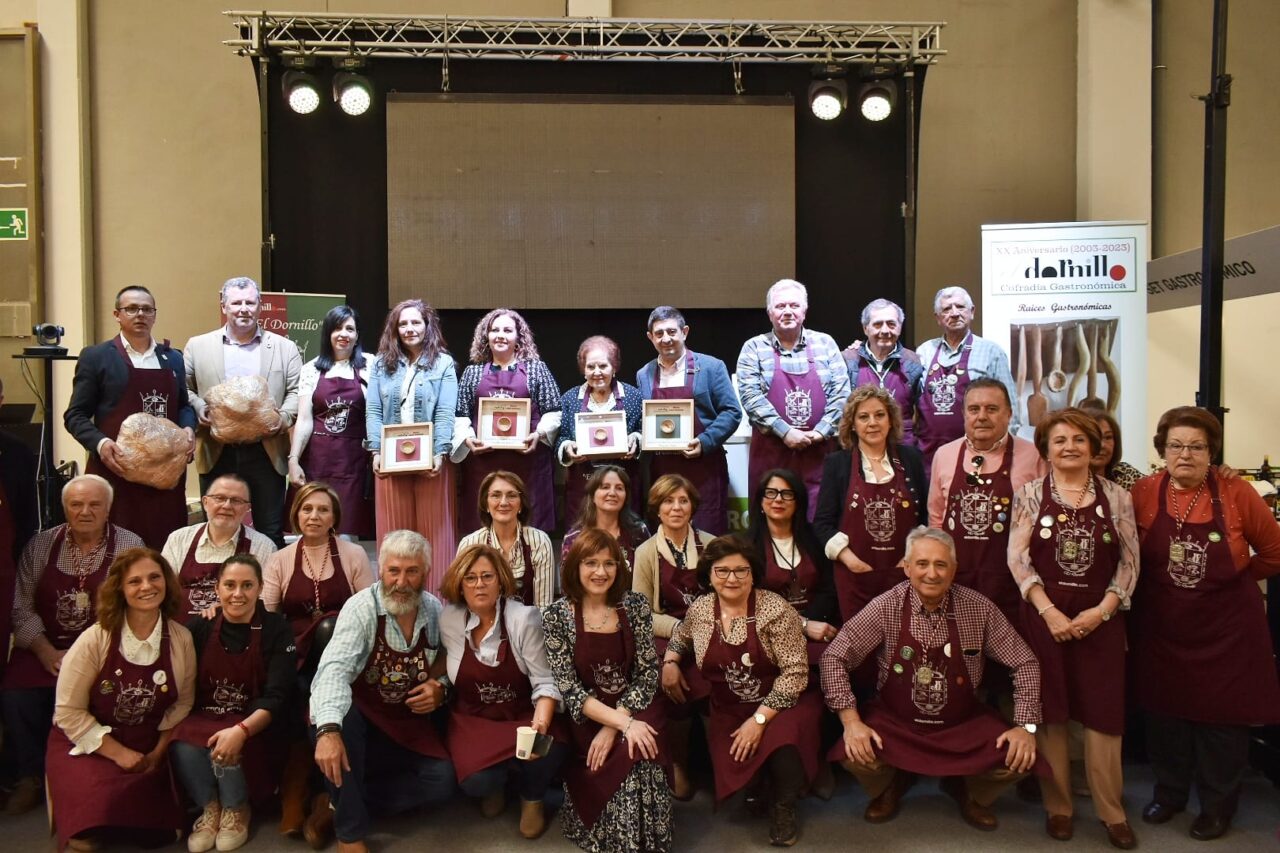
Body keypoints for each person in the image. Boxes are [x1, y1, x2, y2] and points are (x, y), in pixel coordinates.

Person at [820, 527, 1044, 831]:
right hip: (896, 723)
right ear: (907, 567)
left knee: (1019, 757)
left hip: (961, 724)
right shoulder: (885, 606)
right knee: (854, 753)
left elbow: (1025, 661)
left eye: (941, 565)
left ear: (953, 569)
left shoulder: (979, 608)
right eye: (922, 564)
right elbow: (834, 657)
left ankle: (969, 791)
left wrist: (1025, 725)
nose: (932, 573)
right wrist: (850, 722)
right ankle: (891, 783)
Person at [1129, 406, 1280, 840]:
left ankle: (1217, 805)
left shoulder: (1237, 493)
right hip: (1163, 626)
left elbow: (1272, 552)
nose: (1186, 455)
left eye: (1197, 446)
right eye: (1176, 445)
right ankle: (1170, 793)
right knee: (1165, 716)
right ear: (1162, 449)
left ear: (1211, 451)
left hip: (1226, 629)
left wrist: (1233, 582)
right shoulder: (1144, 490)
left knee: (1222, 723)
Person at [1007, 408, 1139, 848]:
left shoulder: (1118, 496)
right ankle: (1058, 806)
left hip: (1100, 621)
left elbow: (1130, 562)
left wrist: (1102, 611)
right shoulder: (1028, 494)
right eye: (1059, 440)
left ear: (1094, 447)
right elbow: (1018, 559)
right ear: (1046, 448)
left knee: (1104, 719)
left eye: (1079, 440)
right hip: (1046, 619)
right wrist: (1049, 612)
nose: (1069, 447)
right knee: (1052, 716)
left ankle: (1111, 811)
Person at [663, 536, 825, 847]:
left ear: (753, 574)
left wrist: (759, 721)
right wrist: (670, 660)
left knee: (783, 742)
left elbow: (795, 674)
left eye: (741, 570)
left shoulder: (775, 608)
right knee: (742, 764)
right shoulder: (700, 609)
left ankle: (784, 806)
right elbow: (681, 637)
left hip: (783, 701)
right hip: (730, 706)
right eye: (722, 571)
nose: (732, 579)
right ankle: (759, 784)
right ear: (709, 576)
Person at [0, 474, 144, 815]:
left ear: (109, 508)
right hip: (46, 646)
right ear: (64, 507)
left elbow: (136, 604)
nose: (85, 511)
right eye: (76, 504)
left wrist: (85, 655)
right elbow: (20, 603)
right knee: (15, 692)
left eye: (95, 504)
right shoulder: (40, 545)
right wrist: (45, 650)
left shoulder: (129, 545)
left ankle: (91, 773)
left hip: (104, 649)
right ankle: (30, 776)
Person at [310, 530, 454, 852]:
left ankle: (337, 803)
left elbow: (451, 663)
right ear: (381, 570)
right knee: (341, 722)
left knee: (442, 781)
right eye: (394, 570)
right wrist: (329, 731)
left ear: (425, 574)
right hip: (359, 720)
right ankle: (350, 834)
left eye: (412, 571)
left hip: (404, 724)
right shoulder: (361, 608)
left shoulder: (434, 610)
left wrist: (440, 689)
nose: (401, 582)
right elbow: (333, 671)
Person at [46, 547, 196, 851]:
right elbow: (68, 712)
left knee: (163, 831)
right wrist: (117, 753)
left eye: (155, 577)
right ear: (120, 590)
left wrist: (157, 752)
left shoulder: (181, 638)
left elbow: (182, 705)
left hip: (147, 743)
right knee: (95, 819)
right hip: (89, 743)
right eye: (134, 581)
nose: (147, 587)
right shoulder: (94, 639)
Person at [542, 528, 672, 853]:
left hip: (637, 706)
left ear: (619, 568)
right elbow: (570, 690)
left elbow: (646, 674)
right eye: (591, 563)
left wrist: (621, 724)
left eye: (609, 563)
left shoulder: (635, 606)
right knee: (622, 763)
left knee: (641, 753)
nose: (601, 572)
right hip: (588, 718)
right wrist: (616, 724)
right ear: (575, 567)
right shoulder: (556, 616)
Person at [262, 482, 373, 839]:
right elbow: (268, 615)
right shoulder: (280, 559)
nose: (314, 516)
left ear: (334, 517)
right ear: (296, 514)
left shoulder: (352, 555)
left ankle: (326, 796)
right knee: (292, 693)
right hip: (295, 653)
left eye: (323, 510)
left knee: (329, 629)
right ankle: (299, 792)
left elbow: (370, 609)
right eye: (307, 509)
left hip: (344, 653)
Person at [438, 544, 568, 839]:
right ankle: (496, 784)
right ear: (459, 583)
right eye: (470, 578)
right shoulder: (449, 620)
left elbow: (545, 681)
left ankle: (531, 798)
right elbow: (443, 664)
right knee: (475, 782)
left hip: (520, 715)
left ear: (501, 581)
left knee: (547, 747)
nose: (479, 584)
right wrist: (436, 684)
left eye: (487, 576)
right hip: (474, 720)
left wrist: (541, 724)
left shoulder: (524, 619)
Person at [173, 554, 295, 853]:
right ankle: (209, 807)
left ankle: (236, 808)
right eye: (229, 585)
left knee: (225, 743)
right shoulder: (200, 627)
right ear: (217, 589)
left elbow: (277, 696)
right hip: (205, 715)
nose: (238, 594)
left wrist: (241, 729)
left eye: (247, 585)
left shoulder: (277, 628)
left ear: (260, 588)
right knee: (181, 741)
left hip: (252, 720)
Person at [63, 285, 196, 548]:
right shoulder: (97, 357)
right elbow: (75, 415)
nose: (140, 315)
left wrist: (189, 428)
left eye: (147, 309)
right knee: (115, 550)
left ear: (155, 315)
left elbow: (184, 405)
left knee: (164, 548)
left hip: (165, 477)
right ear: (117, 314)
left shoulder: (173, 358)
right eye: (132, 309)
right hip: (116, 472)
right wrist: (101, 445)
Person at [184, 276, 303, 548]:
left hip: (266, 451)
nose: (243, 309)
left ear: (260, 305)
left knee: (270, 531)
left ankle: (269, 590)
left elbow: (297, 391)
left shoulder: (284, 348)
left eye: (250, 302)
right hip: (217, 450)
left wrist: (282, 418)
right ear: (223, 305)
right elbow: (184, 390)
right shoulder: (197, 346)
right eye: (236, 303)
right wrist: (199, 406)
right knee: (217, 527)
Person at [929, 378, 1046, 623]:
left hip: (1011, 585)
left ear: (1009, 413)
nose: (982, 416)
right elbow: (937, 521)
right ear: (963, 414)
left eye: (992, 409)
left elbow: (1044, 523)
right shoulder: (945, 454)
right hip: (955, 582)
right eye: (974, 409)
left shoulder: (1034, 456)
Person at [814, 386, 928, 623]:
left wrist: (911, 555)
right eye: (863, 417)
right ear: (853, 425)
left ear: (890, 420)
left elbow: (926, 519)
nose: (873, 423)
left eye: (879, 415)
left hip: (905, 573)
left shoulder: (911, 459)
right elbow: (822, 524)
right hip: (856, 578)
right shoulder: (837, 464)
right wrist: (849, 560)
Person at [631, 473, 713, 800]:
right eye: (668, 501)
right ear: (657, 508)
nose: (676, 507)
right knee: (671, 691)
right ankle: (678, 762)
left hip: (710, 634)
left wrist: (699, 630)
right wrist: (679, 632)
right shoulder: (645, 552)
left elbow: (727, 600)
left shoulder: (712, 544)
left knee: (717, 685)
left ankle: (717, 761)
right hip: (665, 634)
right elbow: (641, 612)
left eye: (683, 500)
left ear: (693, 506)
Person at [737, 280, 850, 516]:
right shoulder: (754, 348)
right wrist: (786, 432)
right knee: (770, 526)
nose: (787, 311)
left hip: (819, 454)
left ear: (804, 311)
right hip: (772, 455)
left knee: (818, 525)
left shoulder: (825, 344)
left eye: (794, 305)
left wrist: (820, 432)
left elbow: (842, 393)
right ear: (769, 313)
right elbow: (750, 397)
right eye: (780, 306)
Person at [366, 299, 457, 579]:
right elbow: (373, 410)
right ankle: (395, 606)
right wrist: (376, 451)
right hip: (390, 461)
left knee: (436, 538)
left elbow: (444, 412)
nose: (409, 328)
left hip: (432, 459)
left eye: (416, 322)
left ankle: (439, 610)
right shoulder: (381, 365)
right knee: (395, 536)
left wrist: (440, 453)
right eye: (402, 323)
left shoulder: (443, 364)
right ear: (394, 329)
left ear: (428, 326)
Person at [453, 308, 561, 533]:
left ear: (518, 337)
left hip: (528, 463)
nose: (500, 335)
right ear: (486, 336)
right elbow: (461, 415)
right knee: (485, 531)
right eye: (495, 330)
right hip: (484, 463)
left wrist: (539, 434)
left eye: (507, 330)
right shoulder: (472, 373)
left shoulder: (536, 370)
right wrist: (468, 439)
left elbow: (554, 411)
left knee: (529, 531)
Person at [637, 305, 742, 535]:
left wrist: (704, 442)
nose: (666, 338)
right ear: (650, 338)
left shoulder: (712, 367)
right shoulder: (644, 374)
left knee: (708, 538)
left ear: (684, 332)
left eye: (672, 332)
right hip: (662, 470)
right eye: (659, 333)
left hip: (703, 468)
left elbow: (732, 412)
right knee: (667, 538)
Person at [287, 304, 373, 539]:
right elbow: (304, 420)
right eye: (337, 328)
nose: (343, 334)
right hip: (317, 461)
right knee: (313, 531)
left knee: (347, 535)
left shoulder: (371, 366)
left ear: (357, 336)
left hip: (353, 463)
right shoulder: (311, 369)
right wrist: (293, 460)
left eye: (350, 329)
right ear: (328, 333)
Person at [914, 286, 1018, 473]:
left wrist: (1004, 453)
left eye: (960, 307)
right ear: (938, 318)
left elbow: (1011, 408)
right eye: (946, 309)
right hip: (928, 454)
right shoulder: (924, 352)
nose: (954, 313)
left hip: (979, 453)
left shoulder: (991, 352)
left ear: (972, 312)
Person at [746, 468, 840, 655]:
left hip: (819, 630)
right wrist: (802, 625)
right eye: (771, 493)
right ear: (760, 502)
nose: (778, 499)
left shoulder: (817, 539)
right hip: (767, 637)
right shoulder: (745, 546)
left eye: (787, 494)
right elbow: (747, 601)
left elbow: (830, 588)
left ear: (798, 502)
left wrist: (812, 623)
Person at [161, 475, 277, 617]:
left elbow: (265, 603)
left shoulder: (263, 546)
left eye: (236, 500)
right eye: (219, 498)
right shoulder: (178, 539)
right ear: (205, 502)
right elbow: (164, 591)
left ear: (247, 508)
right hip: (179, 633)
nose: (227, 506)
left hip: (235, 633)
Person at [556, 335, 644, 516]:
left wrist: (636, 440)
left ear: (614, 367)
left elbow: (645, 430)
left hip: (622, 483)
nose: (597, 372)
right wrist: (567, 448)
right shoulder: (569, 398)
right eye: (590, 366)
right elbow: (561, 436)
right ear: (583, 369)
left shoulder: (634, 396)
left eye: (603, 366)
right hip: (583, 483)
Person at [457, 470, 556, 607]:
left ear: (521, 504)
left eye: (511, 495)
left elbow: (543, 608)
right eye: (496, 496)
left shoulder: (539, 541)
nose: (503, 502)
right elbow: (462, 603)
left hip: (528, 627)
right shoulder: (469, 543)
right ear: (486, 504)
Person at [842, 298, 923, 447]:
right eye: (878, 324)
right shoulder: (847, 361)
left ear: (900, 327)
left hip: (902, 448)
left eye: (891, 324)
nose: (885, 330)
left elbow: (923, 414)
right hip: (859, 447)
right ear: (866, 328)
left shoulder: (914, 362)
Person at [562, 465, 650, 575]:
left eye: (619, 488)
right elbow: (568, 585)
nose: (612, 493)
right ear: (592, 496)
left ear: (626, 496)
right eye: (605, 487)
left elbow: (648, 580)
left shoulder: (639, 533)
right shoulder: (574, 538)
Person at [1080, 404, 1144, 489]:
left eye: (1108, 437)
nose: (1102, 445)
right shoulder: (1061, 486)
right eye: (1093, 438)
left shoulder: (1125, 474)